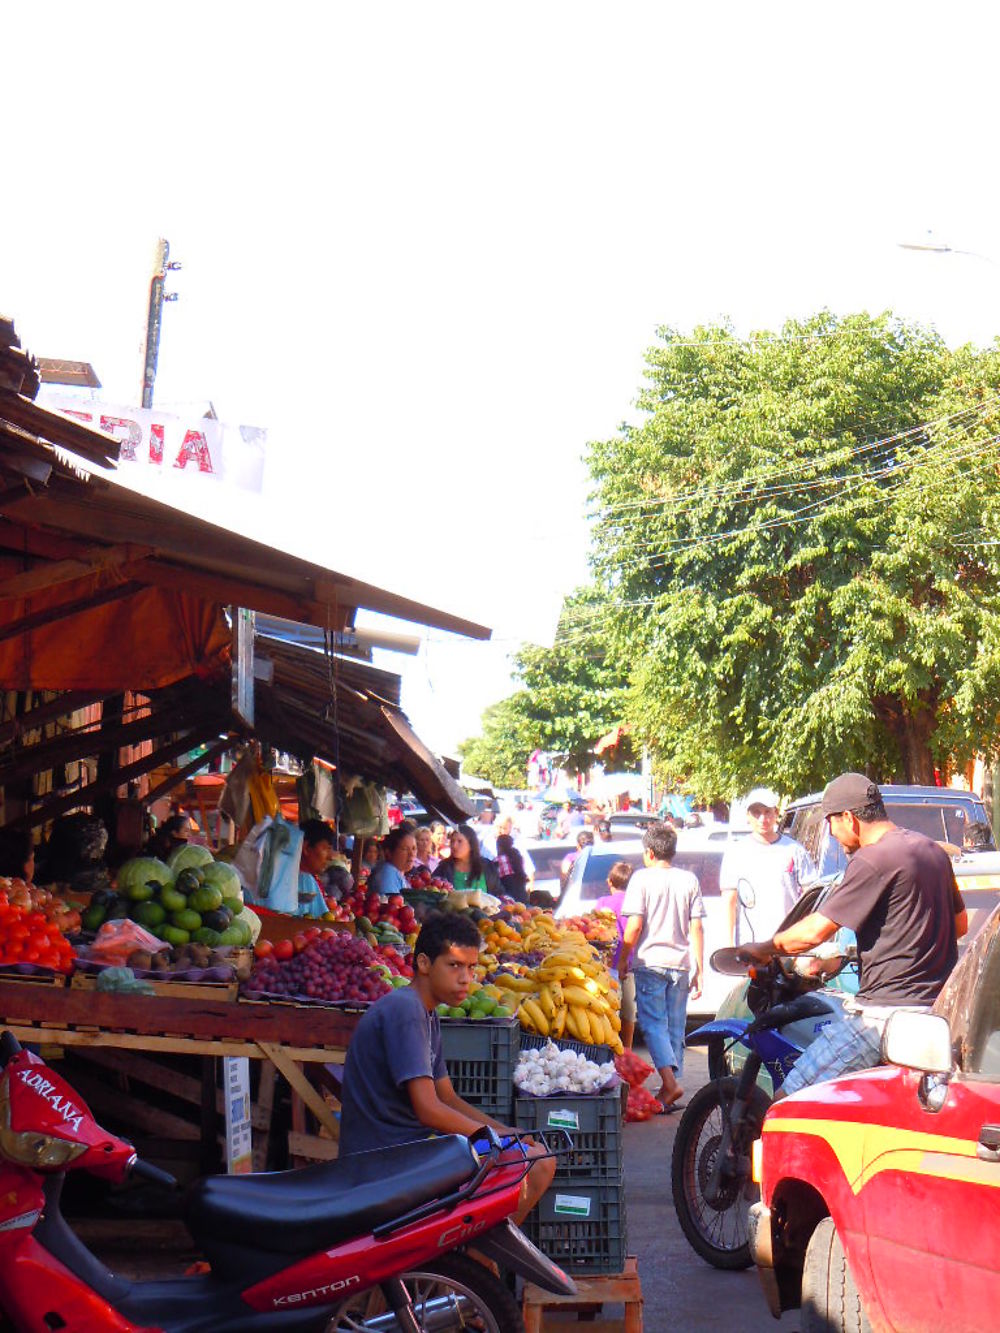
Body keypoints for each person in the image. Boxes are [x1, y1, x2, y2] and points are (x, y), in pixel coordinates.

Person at [745, 773, 968, 1099]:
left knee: (788, 1102)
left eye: (831, 824)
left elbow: (816, 932)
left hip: (882, 1018)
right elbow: (960, 925)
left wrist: (765, 949)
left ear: (848, 818)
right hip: (936, 1016)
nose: (833, 835)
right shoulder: (931, 851)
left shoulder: (872, 858)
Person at [339, 912, 555, 1223]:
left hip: (410, 1152)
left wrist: (505, 1133)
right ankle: (478, 1265)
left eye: (471, 967)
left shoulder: (427, 1014)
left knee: (533, 1155)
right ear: (424, 964)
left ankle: (475, 1263)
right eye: (454, 966)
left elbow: (448, 1099)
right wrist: (497, 1139)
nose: (466, 978)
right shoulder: (406, 1011)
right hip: (386, 1163)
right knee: (536, 1165)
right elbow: (429, 1110)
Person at [618, 822, 705, 1111]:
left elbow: (634, 926)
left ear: (650, 852)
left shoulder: (641, 879)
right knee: (675, 1026)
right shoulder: (689, 880)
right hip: (680, 964)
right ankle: (672, 1086)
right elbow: (697, 928)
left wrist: (622, 959)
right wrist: (699, 969)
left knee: (654, 1025)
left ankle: (670, 1084)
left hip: (650, 962)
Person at [720, 786, 816, 946]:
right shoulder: (736, 852)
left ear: (776, 813)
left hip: (788, 944)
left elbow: (811, 898)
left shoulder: (795, 850)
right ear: (748, 816)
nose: (762, 819)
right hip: (750, 945)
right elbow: (729, 900)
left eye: (767, 812)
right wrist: (728, 944)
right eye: (756, 812)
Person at [595, 860, 638, 1050]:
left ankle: (610, 1048)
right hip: (630, 964)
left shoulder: (603, 903)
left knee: (609, 1009)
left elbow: (595, 931)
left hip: (607, 966)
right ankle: (626, 1049)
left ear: (609, 882)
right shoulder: (636, 903)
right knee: (629, 1011)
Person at [433, 825, 500, 895]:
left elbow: (499, 893)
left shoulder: (488, 866)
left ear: (471, 844)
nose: (454, 845)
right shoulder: (444, 868)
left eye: (459, 841)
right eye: (452, 841)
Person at [298, 819, 337, 917]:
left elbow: (323, 919)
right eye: (326, 848)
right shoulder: (277, 880)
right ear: (306, 848)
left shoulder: (309, 881)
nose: (330, 857)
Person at [367, 825, 417, 895]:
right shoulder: (387, 873)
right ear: (389, 853)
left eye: (414, 849)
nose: (411, 854)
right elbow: (391, 903)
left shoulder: (396, 872)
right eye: (405, 849)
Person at [495, 834, 528, 904]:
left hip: (508, 900)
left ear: (499, 846)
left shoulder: (498, 860)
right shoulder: (519, 858)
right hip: (522, 896)